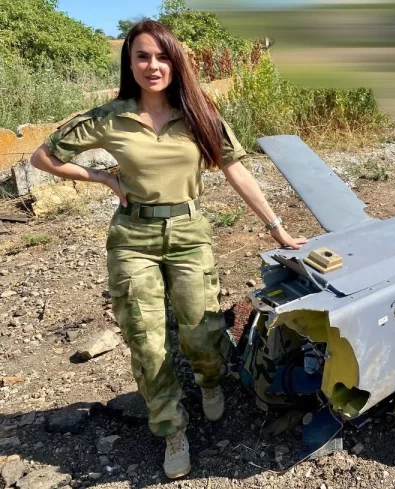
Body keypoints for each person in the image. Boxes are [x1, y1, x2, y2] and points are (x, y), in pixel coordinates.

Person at [30, 20, 307, 479]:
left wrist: (276, 226)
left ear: (176, 63)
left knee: (201, 330)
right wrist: (100, 177)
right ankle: (172, 428)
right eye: (142, 56)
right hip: (132, 238)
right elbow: (44, 157)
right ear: (130, 63)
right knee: (146, 339)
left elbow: (237, 170)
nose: (152, 66)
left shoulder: (198, 114)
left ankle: (210, 381)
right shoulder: (110, 117)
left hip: (188, 232)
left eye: (161, 57)